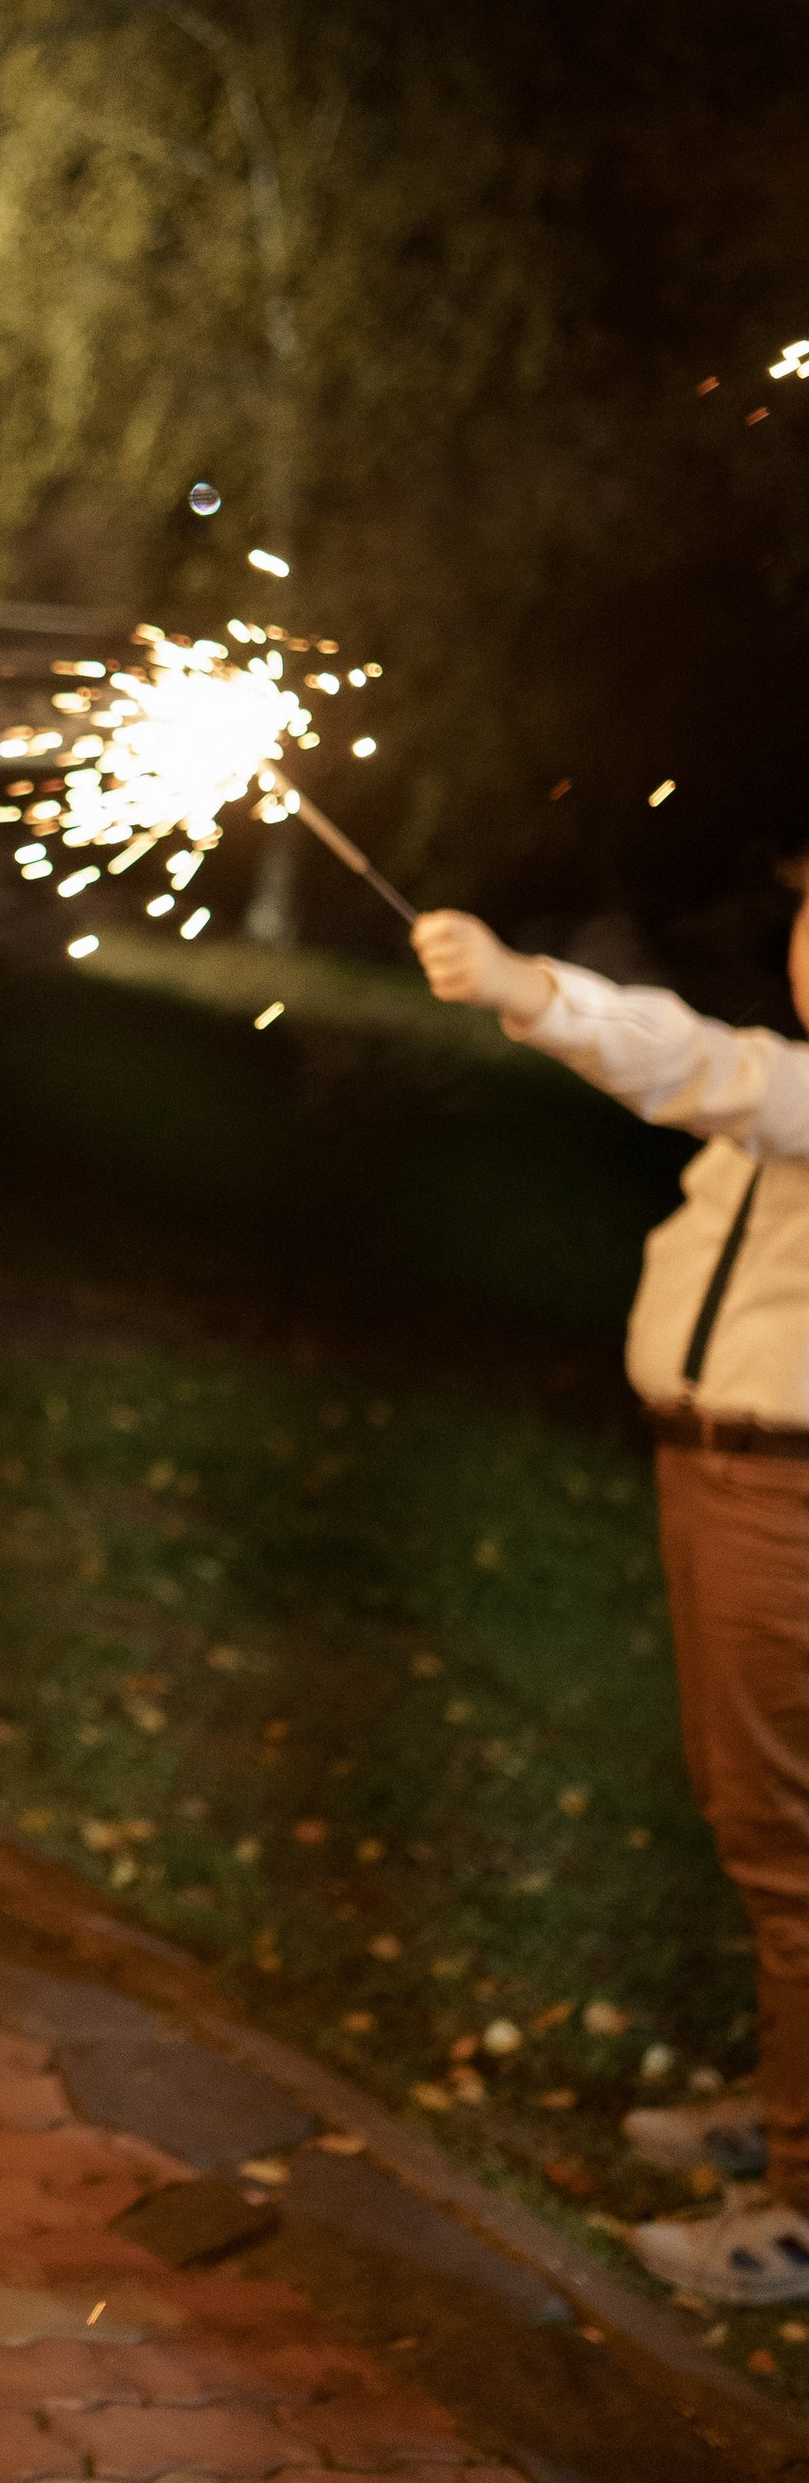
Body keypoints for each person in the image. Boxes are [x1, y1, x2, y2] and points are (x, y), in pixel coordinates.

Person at [415, 894, 809, 2306]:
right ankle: (781, 2100)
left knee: (789, 1847)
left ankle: (799, 2209)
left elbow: (697, 1064)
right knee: (757, 1820)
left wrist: (529, 989)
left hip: (787, 1497)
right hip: (729, 1480)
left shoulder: (793, 1088)